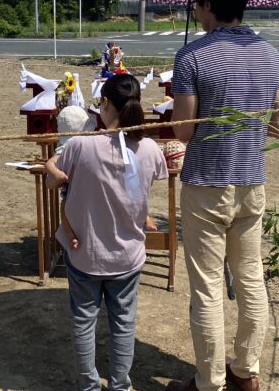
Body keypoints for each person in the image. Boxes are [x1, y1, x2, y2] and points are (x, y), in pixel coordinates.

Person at [166, 0, 279, 391]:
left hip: (205, 186)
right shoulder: (272, 55)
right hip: (251, 182)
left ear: (207, 4)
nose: (195, 12)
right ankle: (245, 371)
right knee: (250, 276)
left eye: (196, 4)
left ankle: (210, 381)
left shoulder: (193, 56)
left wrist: (182, 112)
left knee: (207, 287)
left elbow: (183, 131)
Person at [46, 74, 168, 391]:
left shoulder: (80, 146)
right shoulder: (151, 149)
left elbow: (53, 179)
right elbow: (144, 180)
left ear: (107, 104)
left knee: (84, 320)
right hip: (127, 255)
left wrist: (51, 166)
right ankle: (119, 385)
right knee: (123, 323)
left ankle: (89, 385)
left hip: (85, 251)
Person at [47, 105, 158, 250]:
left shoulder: (71, 145)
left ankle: (69, 234)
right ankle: (145, 218)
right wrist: (58, 173)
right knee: (134, 198)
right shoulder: (80, 144)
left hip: (78, 189)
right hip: (87, 187)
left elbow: (50, 162)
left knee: (65, 207)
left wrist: (55, 172)